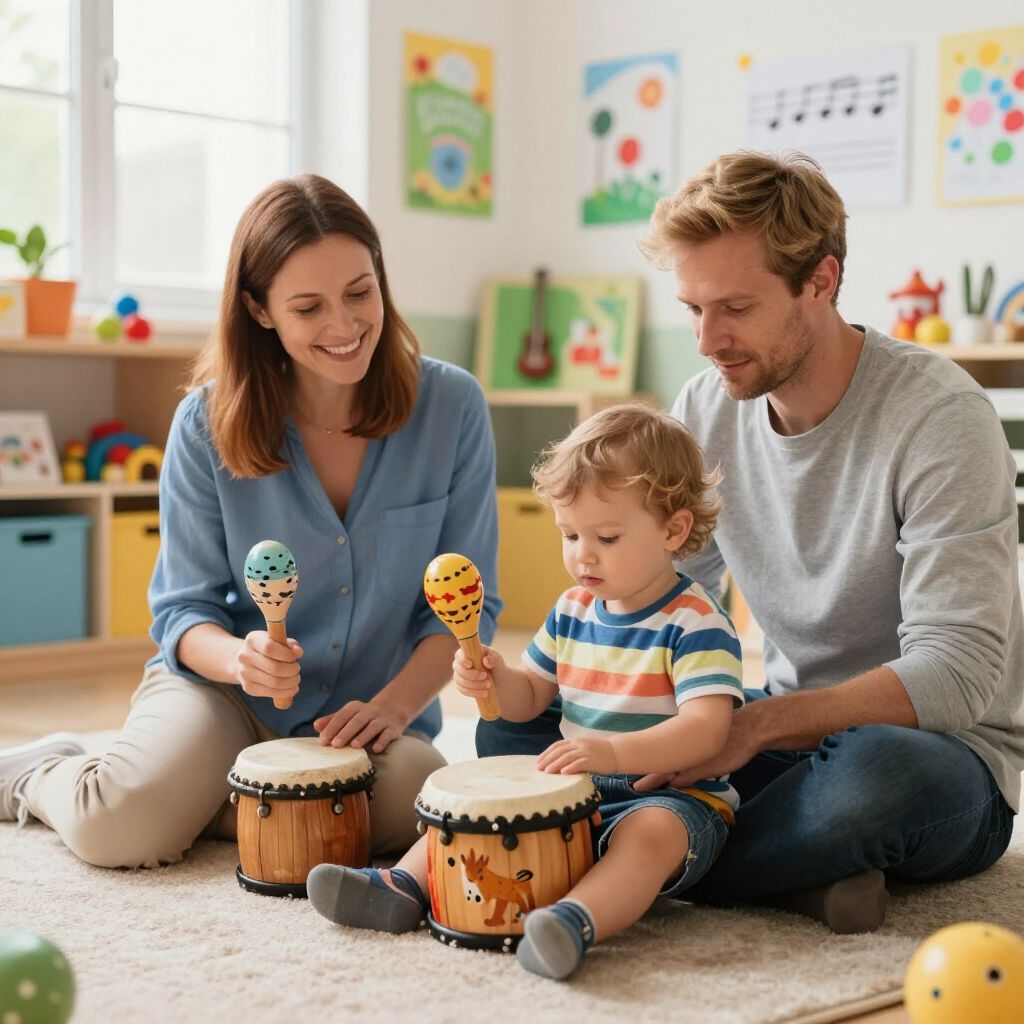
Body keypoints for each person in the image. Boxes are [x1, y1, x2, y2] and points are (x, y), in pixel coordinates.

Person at [479, 149, 1023, 934]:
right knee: (518, 713)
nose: (706, 339)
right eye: (693, 308)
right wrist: (582, 684)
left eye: (734, 307)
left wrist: (755, 728)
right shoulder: (706, 406)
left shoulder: (941, 417)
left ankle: (625, 855)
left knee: (877, 778)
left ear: (822, 282)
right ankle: (757, 870)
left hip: (936, 755)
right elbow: (661, 596)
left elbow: (957, 674)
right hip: (768, 724)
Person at [0, 173, 501, 867]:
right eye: (308, 307)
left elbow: (465, 613)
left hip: (369, 710)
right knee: (117, 829)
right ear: (260, 311)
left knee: (411, 805)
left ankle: (209, 795)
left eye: (360, 292)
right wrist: (242, 660)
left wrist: (392, 706)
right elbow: (183, 611)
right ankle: (45, 772)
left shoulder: (453, 407)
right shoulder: (205, 425)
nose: (344, 325)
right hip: (222, 694)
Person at [305, 404, 744, 980]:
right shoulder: (572, 609)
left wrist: (612, 754)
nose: (582, 553)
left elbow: (707, 729)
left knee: (647, 837)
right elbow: (533, 695)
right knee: (486, 806)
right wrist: (494, 678)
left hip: (676, 798)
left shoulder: (696, 621)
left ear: (674, 530)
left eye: (606, 537)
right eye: (569, 533)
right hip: (580, 783)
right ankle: (404, 885)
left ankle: (573, 922)